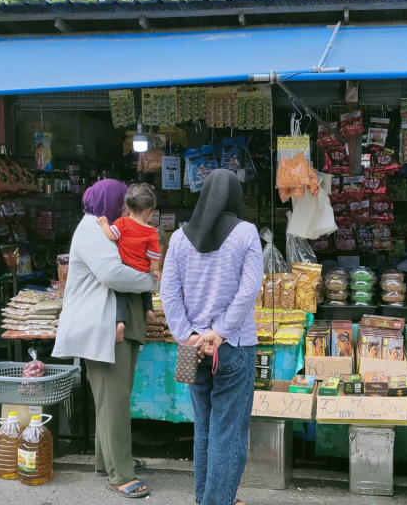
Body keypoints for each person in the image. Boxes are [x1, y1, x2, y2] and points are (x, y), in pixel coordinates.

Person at [161, 169, 262, 505]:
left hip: (194, 349)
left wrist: (188, 334)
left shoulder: (179, 238)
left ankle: (206, 498)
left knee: (204, 428)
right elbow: (249, 291)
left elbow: (168, 293)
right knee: (228, 432)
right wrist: (219, 333)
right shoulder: (246, 233)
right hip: (232, 346)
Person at [52, 179, 155, 499]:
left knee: (111, 399)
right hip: (103, 325)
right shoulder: (93, 231)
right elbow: (114, 275)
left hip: (110, 323)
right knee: (114, 401)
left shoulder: (105, 229)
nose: (126, 209)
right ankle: (120, 474)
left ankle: (106, 461)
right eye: (122, 203)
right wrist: (151, 280)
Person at [96, 182, 161, 334]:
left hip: (125, 266)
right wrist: (156, 269)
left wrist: (104, 224)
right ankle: (148, 309)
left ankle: (120, 321)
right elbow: (154, 254)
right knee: (146, 289)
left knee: (120, 292)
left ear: (128, 206)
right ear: (149, 211)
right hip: (142, 269)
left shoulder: (122, 222)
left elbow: (112, 235)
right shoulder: (151, 231)